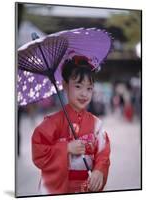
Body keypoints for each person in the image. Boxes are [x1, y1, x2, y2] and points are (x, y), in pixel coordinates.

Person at [31, 55, 111, 195]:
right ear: (65, 85)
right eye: (78, 86)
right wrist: (65, 148)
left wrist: (99, 170)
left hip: (86, 187)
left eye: (89, 88)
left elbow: (103, 153)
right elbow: (39, 151)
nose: (84, 94)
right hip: (59, 188)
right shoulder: (52, 123)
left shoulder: (97, 124)